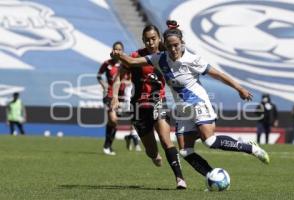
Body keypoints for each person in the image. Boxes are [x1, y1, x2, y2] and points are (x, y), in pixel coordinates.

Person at [111, 20, 270, 183]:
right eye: (170, 46)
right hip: (182, 109)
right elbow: (132, 62)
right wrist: (119, 55)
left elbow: (218, 75)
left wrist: (239, 89)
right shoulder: (160, 58)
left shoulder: (193, 59)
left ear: (182, 43)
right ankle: (212, 176)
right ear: (164, 45)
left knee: (210, 140)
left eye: (176, 45)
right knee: (185, 151)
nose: (173, 49)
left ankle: (250, 148)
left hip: (199, 103)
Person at [112, 24, 186, 189]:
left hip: (159, 102)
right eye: (147, 40)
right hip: (139, 106)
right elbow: (118, 78)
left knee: (167, 141)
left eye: (153, 39)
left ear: (159, 38)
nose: (150, 42)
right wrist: (115, 97)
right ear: (143, 40)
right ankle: (154, 155)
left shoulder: (166, 56)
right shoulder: (135, 56)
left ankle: (180, 179)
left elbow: (183, 54)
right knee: (151, 151)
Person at [97, 41, 140, 155]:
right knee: (113, 119)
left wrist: (125, 82)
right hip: (110, 95)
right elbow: (99, 76)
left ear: (123, 51)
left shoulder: (127, 64)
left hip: (122, 97)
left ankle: (109, 145)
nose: (117, 51)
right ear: (112, 50)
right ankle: (107, 145)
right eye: (116, 49)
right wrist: (104, 85)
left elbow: (131, 79)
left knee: (115, 122)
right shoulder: (107, 64)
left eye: (120, 49)